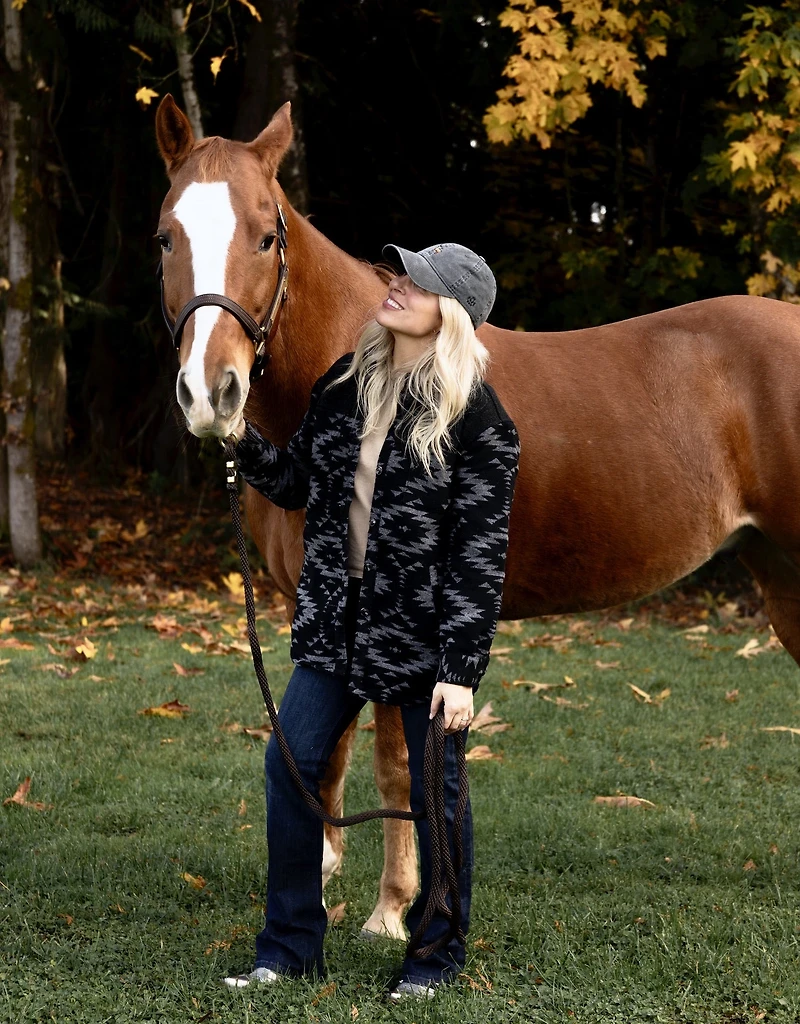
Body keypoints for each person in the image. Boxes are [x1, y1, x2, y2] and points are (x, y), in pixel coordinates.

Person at [222, 242, 520, 1000]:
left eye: (414, 283)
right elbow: (296, 482)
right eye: (396, 274)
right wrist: (238, 439)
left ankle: (433, 955)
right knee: (291, 766)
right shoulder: (347, 383)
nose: (394, 286)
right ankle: (288, 948)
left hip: (424, 645)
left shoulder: (480, 420)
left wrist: (461, 672)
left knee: (435, 797)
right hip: (334, 627)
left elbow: (477, 558)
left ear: (448, 314)